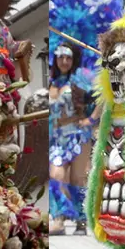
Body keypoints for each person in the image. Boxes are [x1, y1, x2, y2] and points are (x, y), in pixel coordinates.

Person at [48, 44, 93, 235]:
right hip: (57, 138)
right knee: (55, 176)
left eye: (68, 58)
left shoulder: (80, 80)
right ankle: (58, 219)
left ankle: (81, 220)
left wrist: (90, 119)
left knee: (77, 179)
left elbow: (99, 99)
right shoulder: (50, 82)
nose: (64, 61)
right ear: (55, 60)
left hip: (77, 135)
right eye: (60, 57)